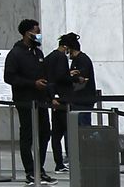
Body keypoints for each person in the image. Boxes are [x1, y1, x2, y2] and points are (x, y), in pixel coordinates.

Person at [4, 19, 53, 183]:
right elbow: (9, 77)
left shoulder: (38, 53)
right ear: (27, 33)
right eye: (36, 32)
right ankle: (30, 171)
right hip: (25, 101)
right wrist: (32, 84)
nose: (38, 35)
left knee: (45, 133)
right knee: (27, 135)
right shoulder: (15, 53)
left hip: (41, 101)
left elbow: (45, 73)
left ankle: (40, 168)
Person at [41, 37, 72, 171]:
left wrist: (50, 96)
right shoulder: (61, 58)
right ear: (66, 47)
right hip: (61, 98)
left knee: (56, 134)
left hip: (52, 97)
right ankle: (66, 161)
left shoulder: (49, 57)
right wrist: (71, 76)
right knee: (67, 130)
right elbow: (60, 77)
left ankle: (58, 163)